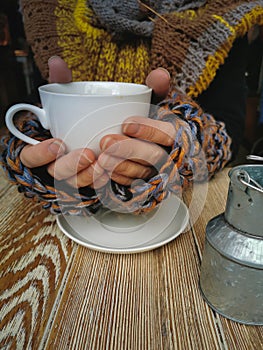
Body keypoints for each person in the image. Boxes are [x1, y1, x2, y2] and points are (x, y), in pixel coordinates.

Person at [1, 0, 263, 215]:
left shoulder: (225, 12)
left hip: (172, 214)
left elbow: (230, 126)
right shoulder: (48, 11)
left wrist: (186, 145)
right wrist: (41, 160)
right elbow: (35, 109)